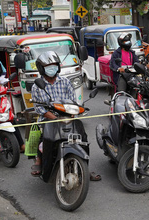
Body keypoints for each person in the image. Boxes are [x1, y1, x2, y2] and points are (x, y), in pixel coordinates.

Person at [30, 51, 100, 180]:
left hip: (67, 116)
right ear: (41, 68)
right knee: (44, 138)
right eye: (48, 66)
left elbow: (72, 101)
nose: (52, 68)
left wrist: (72, 114)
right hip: (48, 118)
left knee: (82, 138)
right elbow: (39, 108)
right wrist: (55, 118)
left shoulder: (65, 82)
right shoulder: (37, 86)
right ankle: (39, 161)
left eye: (54, 65)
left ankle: (84, 167)